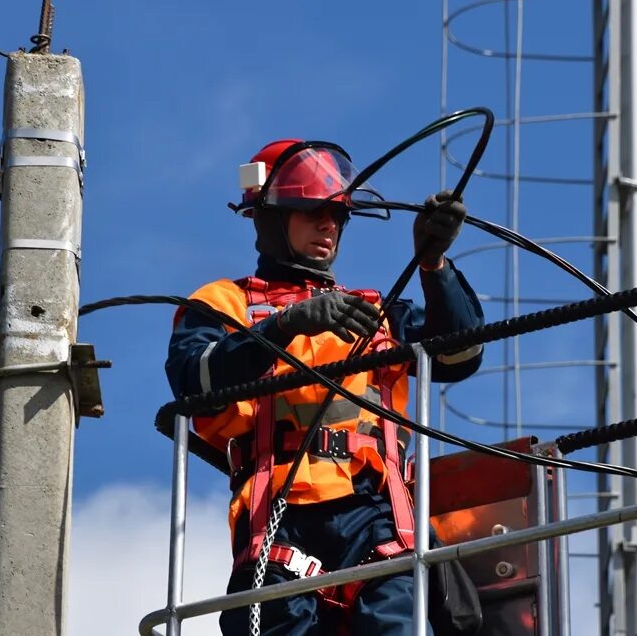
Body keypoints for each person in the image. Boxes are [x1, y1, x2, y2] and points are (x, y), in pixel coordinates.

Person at [165, 139, 485, 635]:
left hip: (376, 513)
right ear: (269, 217)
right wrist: (284, 326)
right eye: (312, 212)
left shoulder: (374, 313)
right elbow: (193, 379)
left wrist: (433, 265)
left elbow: (460, 355)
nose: (328, 226)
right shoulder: (224, 303)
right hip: (278, 515)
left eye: (337, 215)